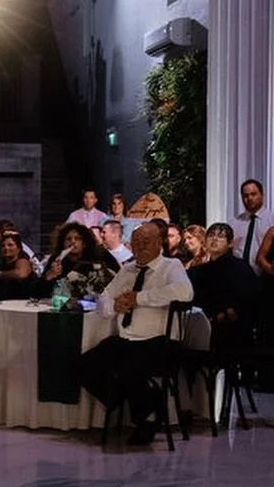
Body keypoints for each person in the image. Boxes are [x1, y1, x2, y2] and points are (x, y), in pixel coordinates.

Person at [81, 224, 194, 445]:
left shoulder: (171, 266)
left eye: (146, 242)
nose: (140, 247)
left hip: (160, 341)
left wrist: (139, 298)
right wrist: (115, 306)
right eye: (136, 243)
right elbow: (103, 301)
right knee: (85, 364)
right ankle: (149, 403)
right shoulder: (127, 270)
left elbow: (185, 292)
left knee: (129, 368)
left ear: (159, 243)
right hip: (127, 339)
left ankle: (145, 419)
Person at [191, 223, 256, 352]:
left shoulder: (240, 268)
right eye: (211, 235)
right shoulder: (198, 271)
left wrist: (220, 317)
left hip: (234, 332)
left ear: (230, 243)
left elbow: (245, 301)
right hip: (202, 329)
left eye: (220, 236)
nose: (214, 239)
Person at [232, 179, 273, 273]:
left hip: (265, 276)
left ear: (262, 195)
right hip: (239, 277)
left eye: (253, 194)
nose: (249, 198)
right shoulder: (234, 223)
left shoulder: (272, 220)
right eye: (245, 196)